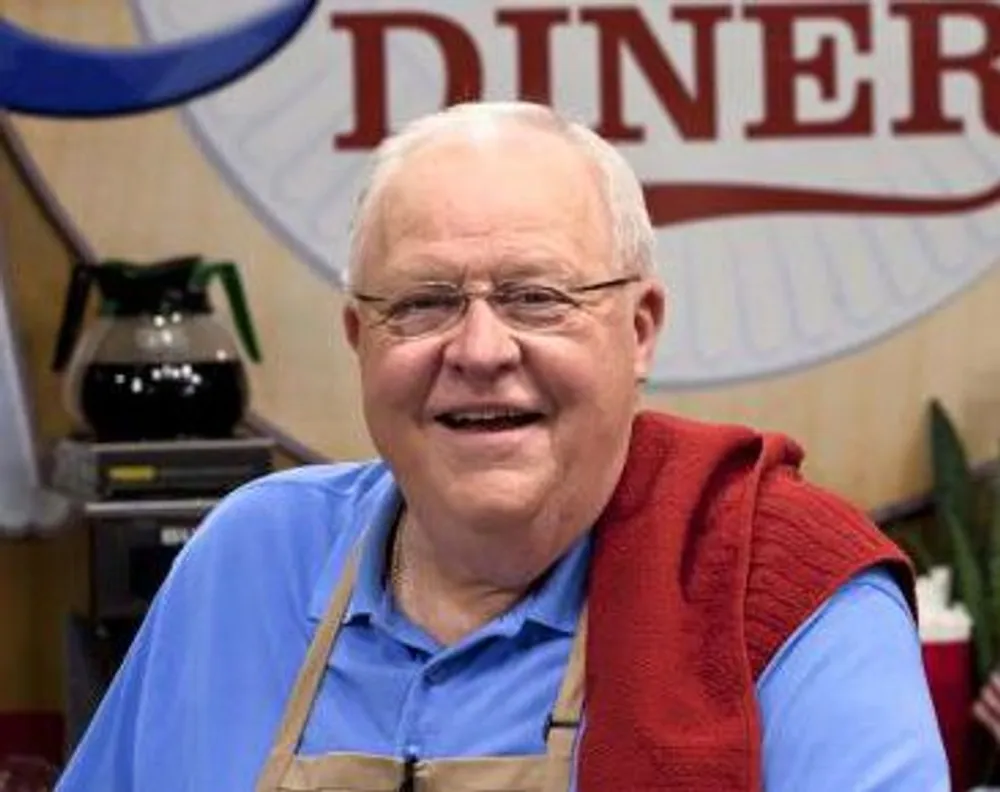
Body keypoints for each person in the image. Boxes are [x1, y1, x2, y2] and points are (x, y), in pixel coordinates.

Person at [55, 101, 948, 791]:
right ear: (359, 340)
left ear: (640, 330)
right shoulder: (246, 564)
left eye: (536, 297)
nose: (479, 351)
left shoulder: (781, 592)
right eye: (422, 303)